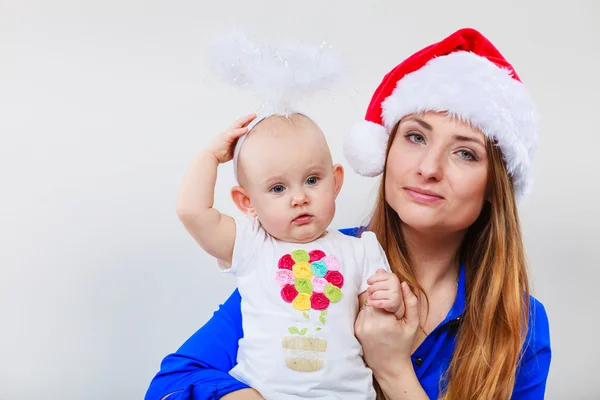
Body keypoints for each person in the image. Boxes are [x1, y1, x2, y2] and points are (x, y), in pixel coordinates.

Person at [146, 27, 551, 400]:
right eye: (414, 136)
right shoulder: (304, 257)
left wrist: (394, 371)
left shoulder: (521, 325)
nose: (429, 168)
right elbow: (171, 384)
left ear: (495, 188)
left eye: (465, 152)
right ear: (385, 151)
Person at [174, 109, 403, 399]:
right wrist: (210, 156)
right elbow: (191, 212)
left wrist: (390, 296)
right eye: (278, 188)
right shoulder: (250, 244)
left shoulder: (360, 248)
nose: (299, 198)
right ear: (247, 202)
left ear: (335, 182)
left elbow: (376, 320)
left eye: (311, 180)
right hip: (265, 393)